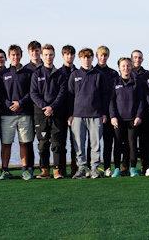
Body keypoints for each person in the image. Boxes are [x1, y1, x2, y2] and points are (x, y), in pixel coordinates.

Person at [30, 44, 68, 179]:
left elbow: (62, 93)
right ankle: (44, 170)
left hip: (56, 113)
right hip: (41, 114)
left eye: (51, 54)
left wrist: (52, 107)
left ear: (54, 55)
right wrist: (44, 107)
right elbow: (33, 94)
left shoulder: (60, 74)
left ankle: (57, 170)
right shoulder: (36, 74)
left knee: (57, 143)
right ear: (41, 55)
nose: (48, 57)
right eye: (45, 54)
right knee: (42, 143)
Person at [68, 48, 106, 179]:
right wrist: (70, 114)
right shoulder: (74, 74)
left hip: (95, 115)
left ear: (92, 58)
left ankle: (95, 168)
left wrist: (104, 113)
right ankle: (82, 168)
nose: (86, 59)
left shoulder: (98, 75)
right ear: (80, 58)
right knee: (78, 144)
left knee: (95, 144)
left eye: (89, 57)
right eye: (84, 57)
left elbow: (104, 96)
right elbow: (70, 95)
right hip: (78, 115)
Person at [0, 46, 34, 180]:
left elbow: (31, 92)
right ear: (9, 56)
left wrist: (20, 103)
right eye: (12, 55)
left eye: (17, 54)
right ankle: (5, 170)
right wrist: (9, 104)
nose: (15, 57)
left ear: (21, 55)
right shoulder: (4, 73)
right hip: (7, 115)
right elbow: (0, 94)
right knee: (6, 143)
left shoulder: (28, 72)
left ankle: (24, 169)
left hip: (24, 113)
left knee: (24, 142)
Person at [109, 57, 144, 177]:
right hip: (118, 120)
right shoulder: (114, 82)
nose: (126, 68)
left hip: (133, 120)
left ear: (131, 67)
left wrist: (139, 116)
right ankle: (117, 168)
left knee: (132, 144)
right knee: (118, 144)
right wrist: (112, 116)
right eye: (123, 66)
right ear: (119, 67)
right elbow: (111, 101)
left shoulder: (136, 82)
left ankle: (133, 168)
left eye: (128, 66)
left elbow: (141, 101)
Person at [95, 46, 119, 176]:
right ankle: (93, 167)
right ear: (97, 55)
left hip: (112, 113)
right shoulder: (92, 72)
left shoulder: (113, 73)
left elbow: (115, 95)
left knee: (110, 141)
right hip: (97, 114)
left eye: (105, 55)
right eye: (101, 55)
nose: (103, 57)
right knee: (94, 143)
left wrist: (111, 113)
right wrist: (100, 113)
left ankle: (110, 167)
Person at [59, 45, 79, 175]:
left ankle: (75, 169)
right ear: (63, 56)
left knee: (75, 144)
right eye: (66, 54)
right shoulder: (58, 72)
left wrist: (72, 113)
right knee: (60, 143)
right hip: (60, 113)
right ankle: (60, 170)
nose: (69, 56)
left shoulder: (78, 72)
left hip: (75, 113)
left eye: (71, 54)